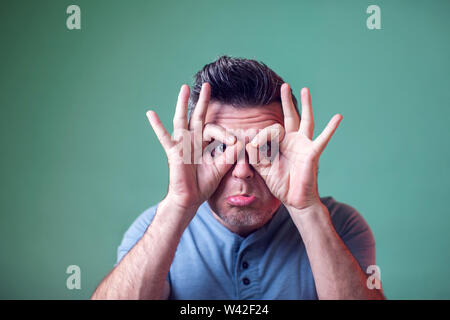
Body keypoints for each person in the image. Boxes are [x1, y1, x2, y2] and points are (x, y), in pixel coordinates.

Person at [91, 56, 385, 300]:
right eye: (219, 148)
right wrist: (179, 205)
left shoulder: (340, 225)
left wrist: (305, 209)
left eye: (266, 148)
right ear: (195, 153)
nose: (243, 170)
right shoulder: (152, 229)